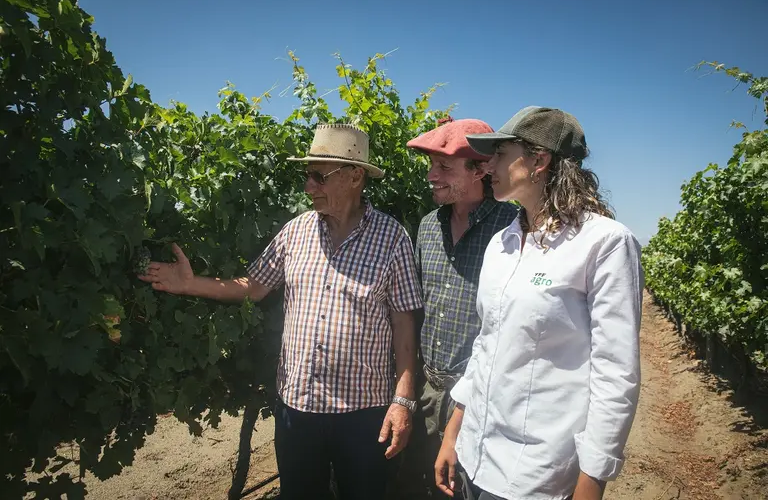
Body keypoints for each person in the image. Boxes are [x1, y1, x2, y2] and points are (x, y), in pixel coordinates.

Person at [138, 123, 422, 500]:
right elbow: (253, 287)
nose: (308, 186)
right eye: (307, 176)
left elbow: (404, 324)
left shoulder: (392, 238)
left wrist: (402, 401)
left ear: (355, 177)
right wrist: (191, 284)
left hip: (364, 412)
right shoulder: (295, 233)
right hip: (297, 409)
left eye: (319, 176)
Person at [435, 106, 644, 500]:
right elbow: (486, 344)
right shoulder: (502, 243)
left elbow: (615, 374)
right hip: (475, 455)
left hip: (534, 473)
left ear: (539, 160)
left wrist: (592, 482)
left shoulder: (604, 244)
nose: (488, 165)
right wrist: (454, 432)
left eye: (500, 153)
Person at [395, 118, 519, 499]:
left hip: (483, 401)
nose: (431, 176)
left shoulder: (513, 229)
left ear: (480, 170)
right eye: (431, 165)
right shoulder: (427, 227)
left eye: (444, 167)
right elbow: (416, 312)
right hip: (428, 392)